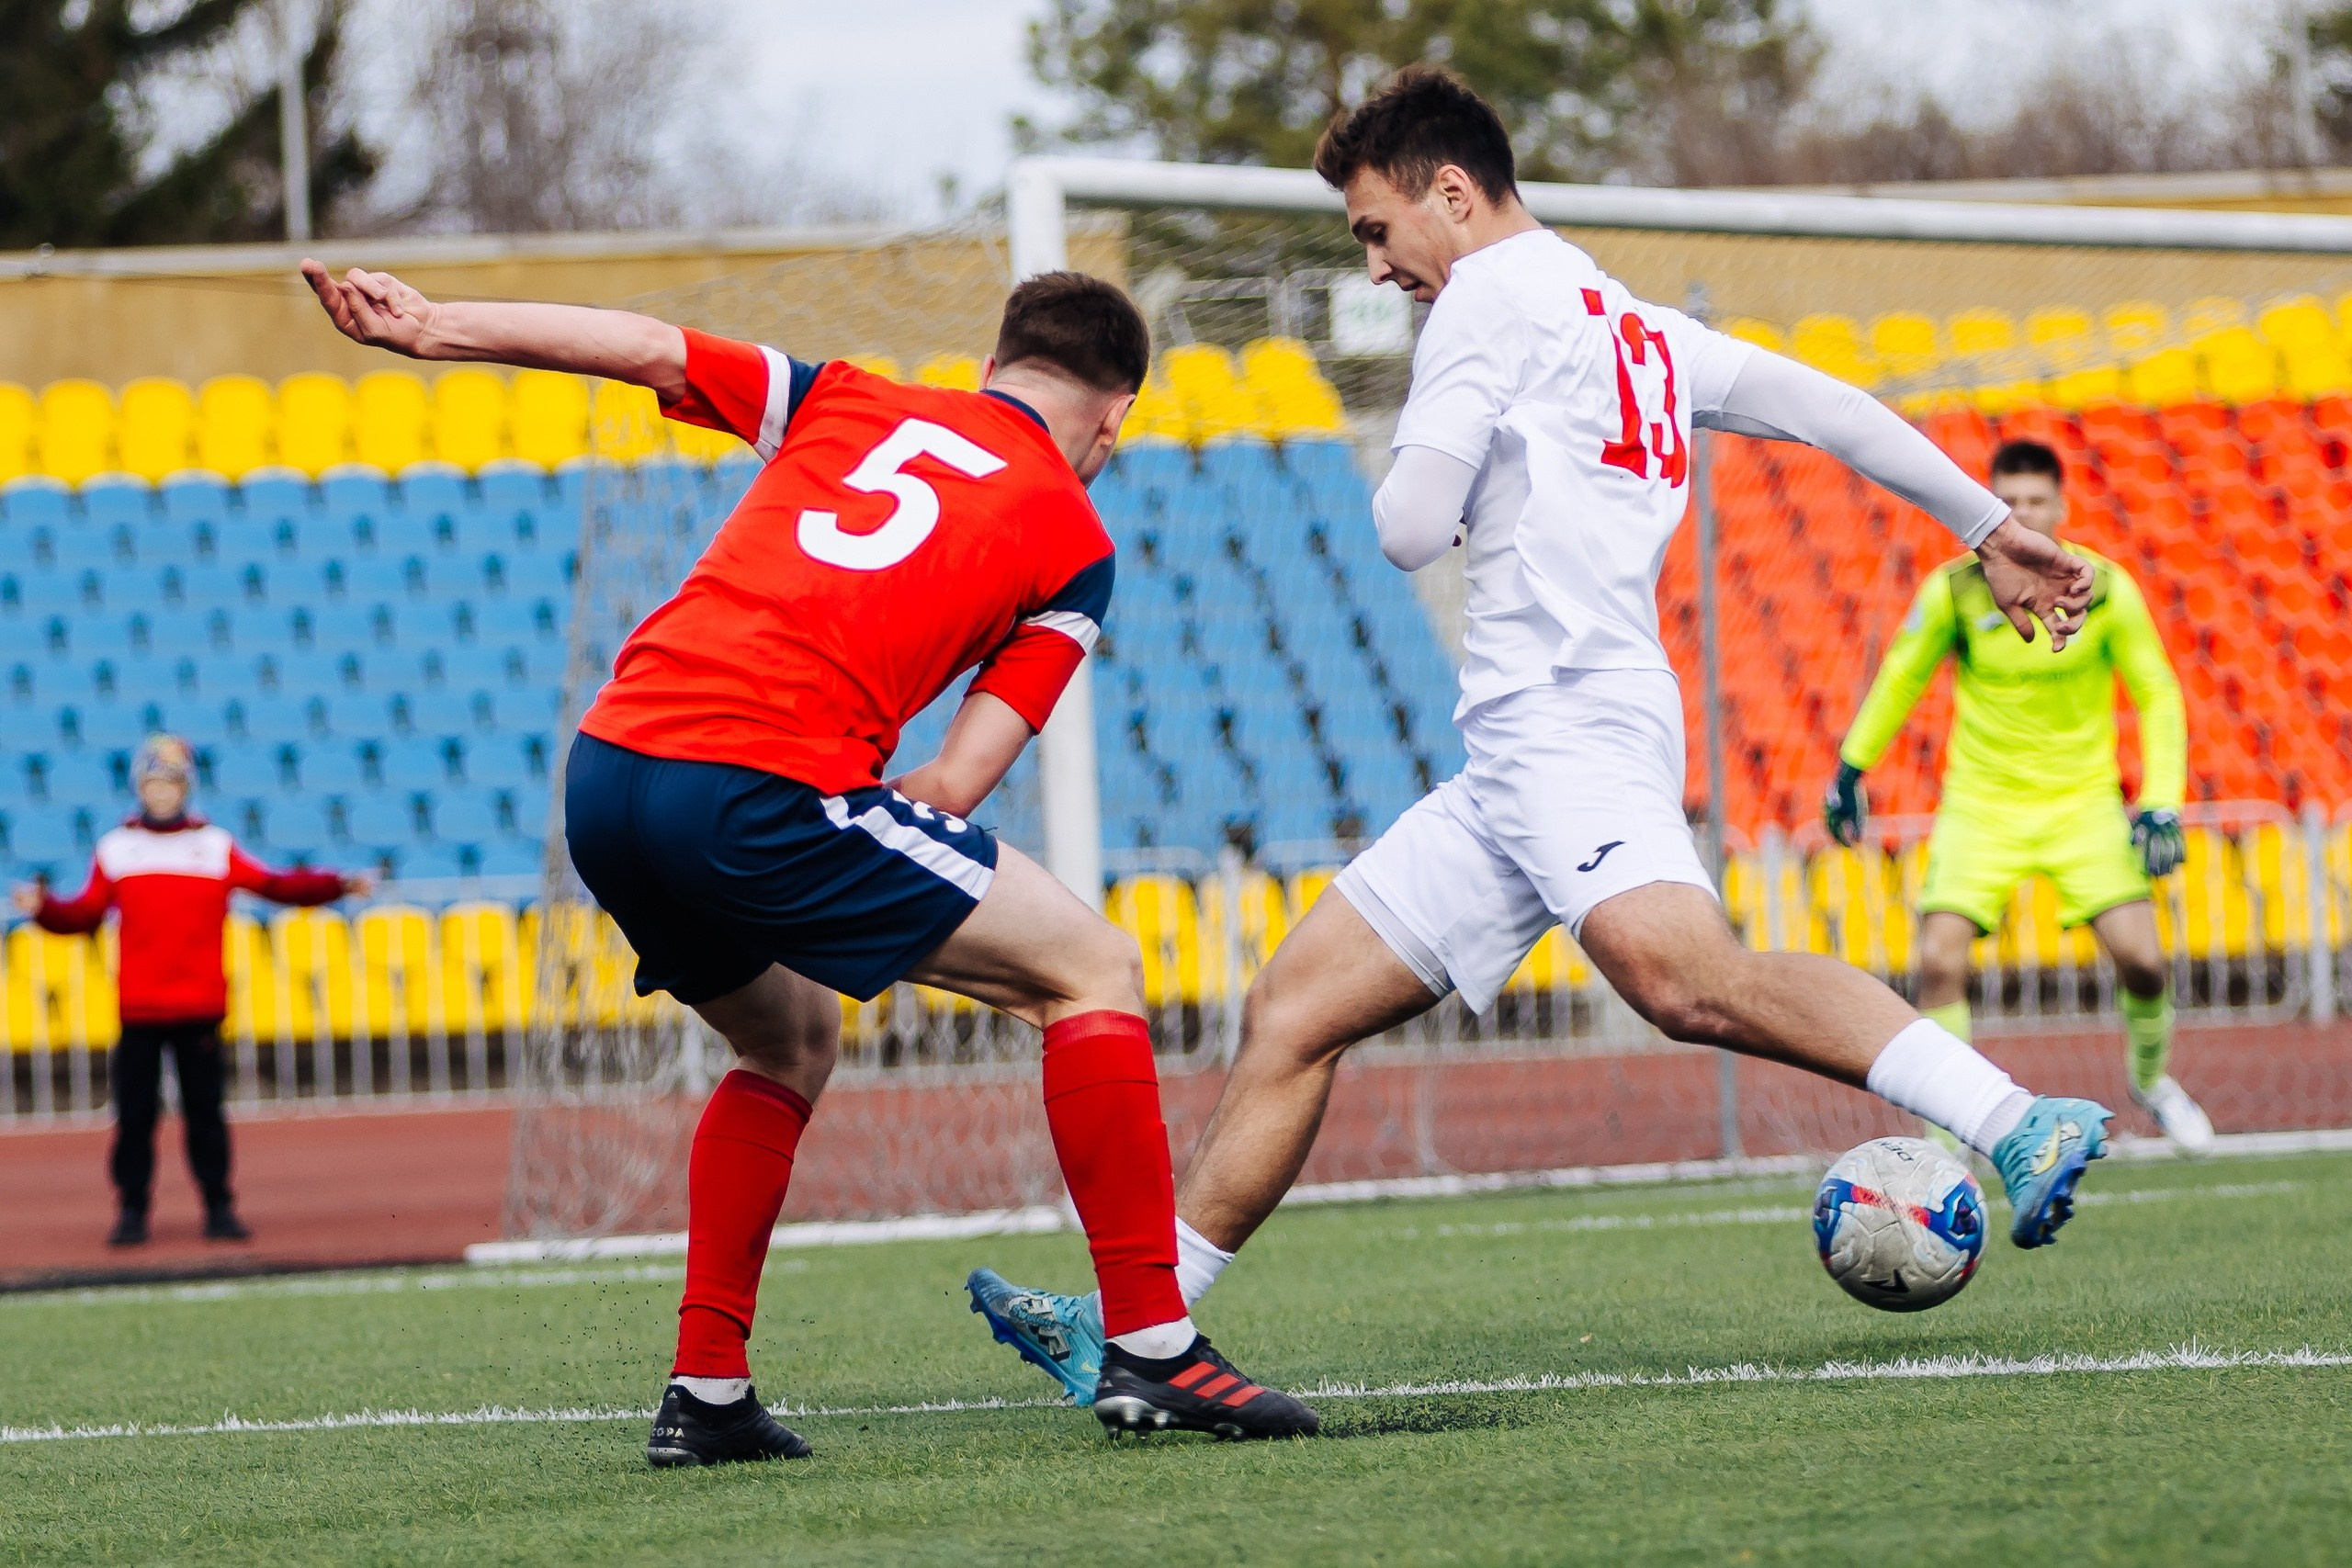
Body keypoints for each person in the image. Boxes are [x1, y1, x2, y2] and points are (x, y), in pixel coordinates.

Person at [967, 65, 2118, 1407]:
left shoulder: (1488, 306)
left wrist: (1442, 447)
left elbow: (1404, 526)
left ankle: (2012, 1118)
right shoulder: (1624, 315)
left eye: (1377, 230)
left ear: (1449, 194)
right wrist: (1988, 525)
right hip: (1520, 755)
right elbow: (1831, 409)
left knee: (1681, 977)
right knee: (1295, 1009)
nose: (1380, 262)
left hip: (1569, 721)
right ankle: (1136, 1322)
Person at [302, 254, 1317, 1463]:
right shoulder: (1076, 536)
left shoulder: (847, 394)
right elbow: (954, 781)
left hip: (610, 769)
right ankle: (1154, 1344)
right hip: (754, 781)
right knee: (1090, 966)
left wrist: (434, 327)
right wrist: (842, 793)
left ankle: (709, 1391)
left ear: (991, 368)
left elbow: (651, 345)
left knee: (789, 1038)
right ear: (1116, 419)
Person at [1824, 438, 2210, 1152]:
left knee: (2146, 962)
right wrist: (1852, 766)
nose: (2025, 513)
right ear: (1992, 509)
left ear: (2061, 507)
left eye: (2037, 501)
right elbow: (1903, 675)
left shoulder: (2107, 589)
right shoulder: (1955, 590)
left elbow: (2157, 691)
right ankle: (1948, 1141)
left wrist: (2161, 800)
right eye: (2011, 502)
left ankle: (2151, 1082)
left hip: (2082, 805)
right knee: (1938, 960)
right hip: (1982, 805)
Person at [10, 735, 371, 1247]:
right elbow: (84, 913)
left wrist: (338, 884)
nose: (161, 793)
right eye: (152, 783)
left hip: (199, 1004)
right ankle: (132, 1210)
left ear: (185, 789)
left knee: (205, 1114)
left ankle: (219, 1207)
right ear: (140, 788)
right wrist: (44, 908)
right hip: (140, 1007)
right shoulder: (117, 848)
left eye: (170, 783)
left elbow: (276, 887)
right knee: (135, 1116)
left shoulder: (214, 845)